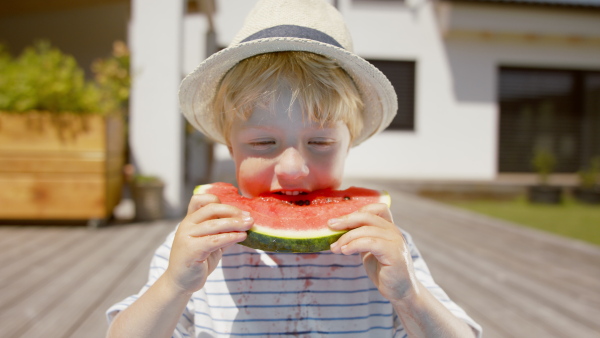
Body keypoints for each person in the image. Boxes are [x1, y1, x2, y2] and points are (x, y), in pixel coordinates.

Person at [106, 0, 482, 337]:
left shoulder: (385, 250)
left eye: (319, 143)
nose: (292, 168)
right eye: (262, 143)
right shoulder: (195, 246)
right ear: (229, 145)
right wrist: (174, 285)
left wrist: (408, 295)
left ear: (349, 144)